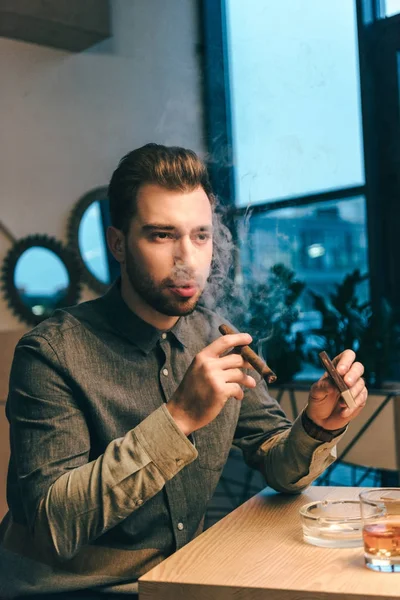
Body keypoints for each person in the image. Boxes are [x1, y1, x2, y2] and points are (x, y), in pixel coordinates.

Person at [0, 144, 367, 599]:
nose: (187, 259)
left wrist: (317, 425)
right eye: (161, 235)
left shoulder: (212, 333)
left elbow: (278, 464)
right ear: (117, 243)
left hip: (181, 581)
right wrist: (178, 420)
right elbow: (52, 527)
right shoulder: (50, 353)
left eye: (200, 236)